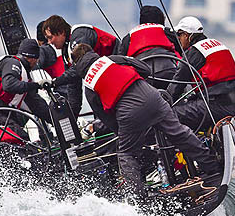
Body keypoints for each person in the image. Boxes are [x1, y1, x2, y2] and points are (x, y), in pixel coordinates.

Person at [71, 43, 220, 197]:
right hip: (152, 96)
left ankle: (138, 201)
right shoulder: (112, 59)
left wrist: (122, 132)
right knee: (179, 133)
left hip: (129, 114)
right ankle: (212, 166)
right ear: (92, 53)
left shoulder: (88, 86)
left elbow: (105, 117)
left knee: (126, 154)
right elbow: (145, 69)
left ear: (77, 65)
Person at [167, 16, 235, 131]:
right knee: (190, 104)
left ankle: (191, 146)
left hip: (217, 105)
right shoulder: (216, 44)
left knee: (170, 113)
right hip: (234, 103)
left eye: (179, 35)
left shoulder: (194, 52)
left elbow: (177, 85)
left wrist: (163, 104)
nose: (178, 39)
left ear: (186, 36)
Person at [40, 15, 120, 117]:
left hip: (117, 67)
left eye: (50, 37)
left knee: (95, 97)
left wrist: (54, 82)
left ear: (61, 32)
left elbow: (78, 68)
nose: (49, 42)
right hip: (104, 75)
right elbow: (73, 85)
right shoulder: (66, 51)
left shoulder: (79, 35)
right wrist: (73, 116)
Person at [0, 38, 52, 140]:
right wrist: (37, 85)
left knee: (23, 138)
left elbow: (36, 104)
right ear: (33, 58)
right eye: (37, 59)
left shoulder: (24, 75)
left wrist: (55, 119)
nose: (37, 62)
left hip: (3, 110)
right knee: (21, 138)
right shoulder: (13, 63)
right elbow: (9, 85)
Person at [117, 5, 182, 90]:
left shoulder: (128, 37)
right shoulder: (166, 31)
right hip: (169, 74)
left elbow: (121, 61)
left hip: (143, 79)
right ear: (161, 19)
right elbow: (184, 51)